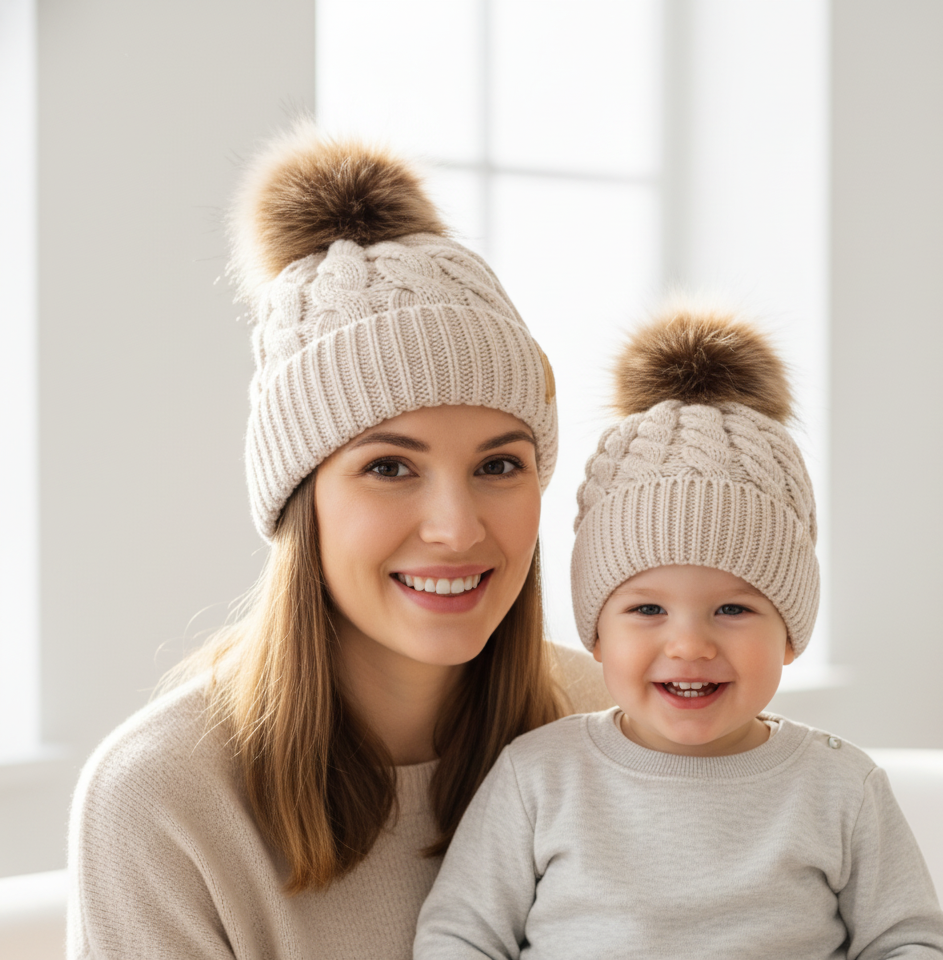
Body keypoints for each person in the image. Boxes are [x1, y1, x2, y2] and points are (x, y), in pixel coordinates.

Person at [66, 127, 611, 960]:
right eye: (390, 466)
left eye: (500, 464)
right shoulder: (161, 798)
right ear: (300, 499)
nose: (457, 527)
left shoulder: (613, 722)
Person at [414, 307, 943, 959]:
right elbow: (460, 933)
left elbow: (910, 938)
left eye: (732, 610)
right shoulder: (539, 777)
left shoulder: (841, 788)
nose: (690, 645)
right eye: (648, 611)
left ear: (790, 634)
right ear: (597, 637)